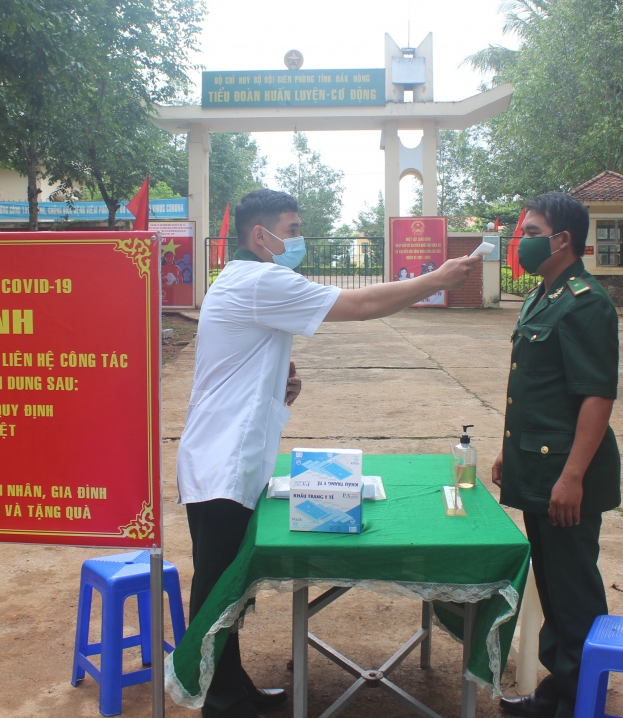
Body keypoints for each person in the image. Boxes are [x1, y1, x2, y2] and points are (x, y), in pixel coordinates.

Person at [178, 189, 480, 718]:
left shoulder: (239, 278)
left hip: (231, 454)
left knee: (229, 585)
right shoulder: (260, 279)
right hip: (222, 462)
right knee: (217, 587)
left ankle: (232, 684)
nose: (299, 240)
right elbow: (359, 304)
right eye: (292, 230)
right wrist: (436, 280)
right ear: (259, 236)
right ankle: (220, 701)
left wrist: (277, 386)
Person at [493, 192, 621, 718]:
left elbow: (597, 396)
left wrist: (573, 477)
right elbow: (534, 390)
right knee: (550, 580)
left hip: (567, 474)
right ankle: (562, 689)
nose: (523, 241)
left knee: (573, 589)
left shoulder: (586, 302)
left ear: (562, 239)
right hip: (537, 466)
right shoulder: (542, 296)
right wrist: (509, 454)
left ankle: (581, 699)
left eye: (532, 231)